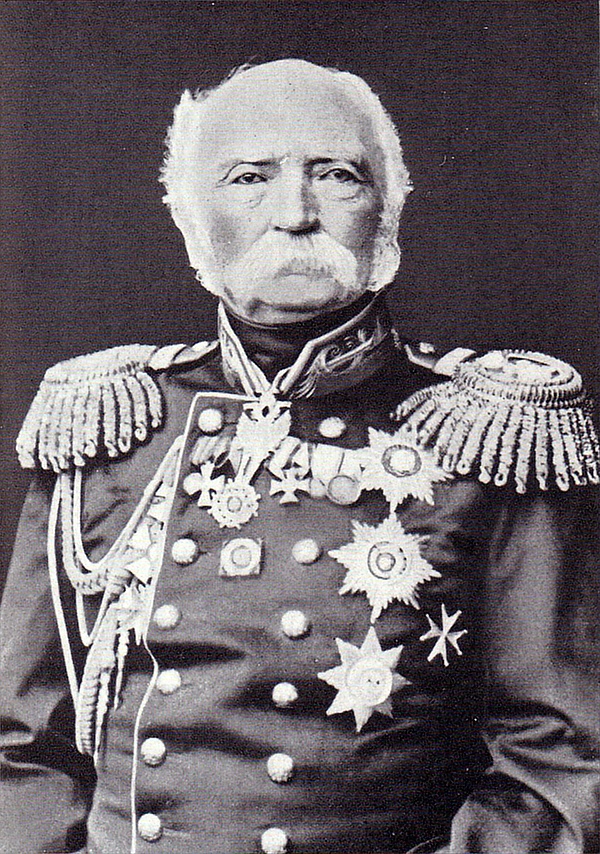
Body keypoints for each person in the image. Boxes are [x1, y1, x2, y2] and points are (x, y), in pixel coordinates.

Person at [1, 58, 599, 854]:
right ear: (189, 215)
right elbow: (21, 752)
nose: (296, 213)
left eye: (337, 176)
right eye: (250, 178)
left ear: (389, 209)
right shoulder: (111, 424)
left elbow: (558, 763)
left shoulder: (493, 436)